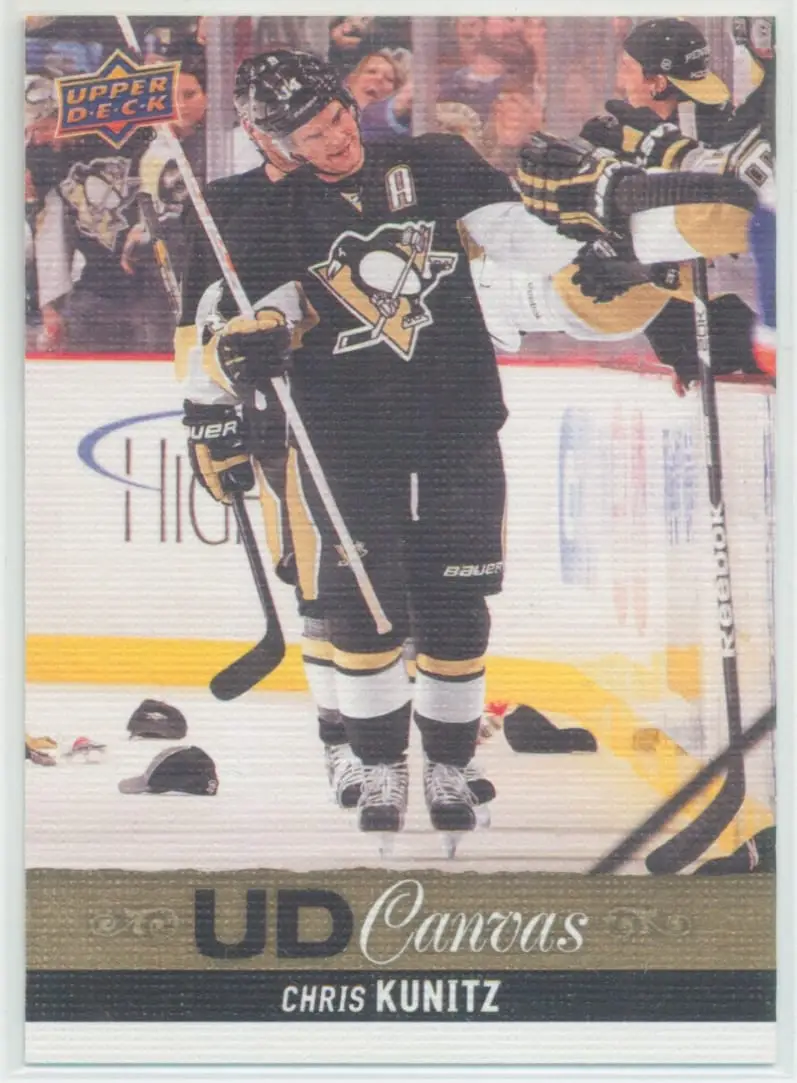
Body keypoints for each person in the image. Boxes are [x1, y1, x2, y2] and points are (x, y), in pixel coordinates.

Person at [176, 50, 759, 854]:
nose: (337, 137)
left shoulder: (433, 159)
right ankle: (379, 763)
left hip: (456, 421)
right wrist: (243, 352)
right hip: (344, 436)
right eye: (312, 135)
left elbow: (511, 233)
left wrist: (587, 258)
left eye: (338, 116)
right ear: (274, 142)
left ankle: (447, 766)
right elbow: (257, 311)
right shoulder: (262, 209)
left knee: (457, 606)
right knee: (364, 609)